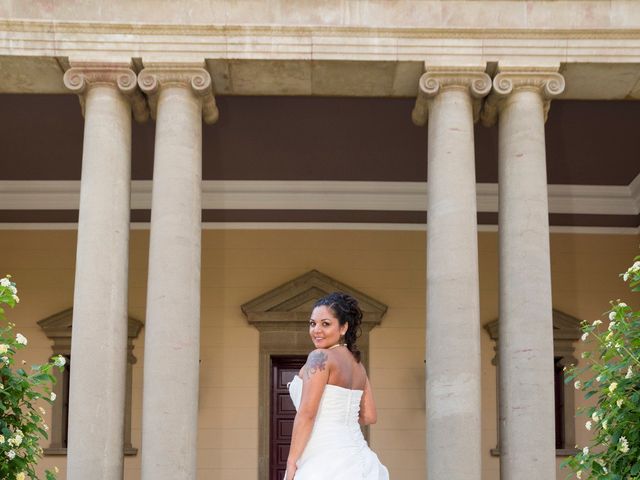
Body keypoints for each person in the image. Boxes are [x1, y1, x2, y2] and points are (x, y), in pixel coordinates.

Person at [285, 292, 389, 480]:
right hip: (360, 459)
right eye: (312, 323)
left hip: (324, 460)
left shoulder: (320, 357)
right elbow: (369, 416)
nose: (316, 330)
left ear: (343, 328)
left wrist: (292, 461)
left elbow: (307, 414)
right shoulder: (358, 366)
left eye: (325, 324)